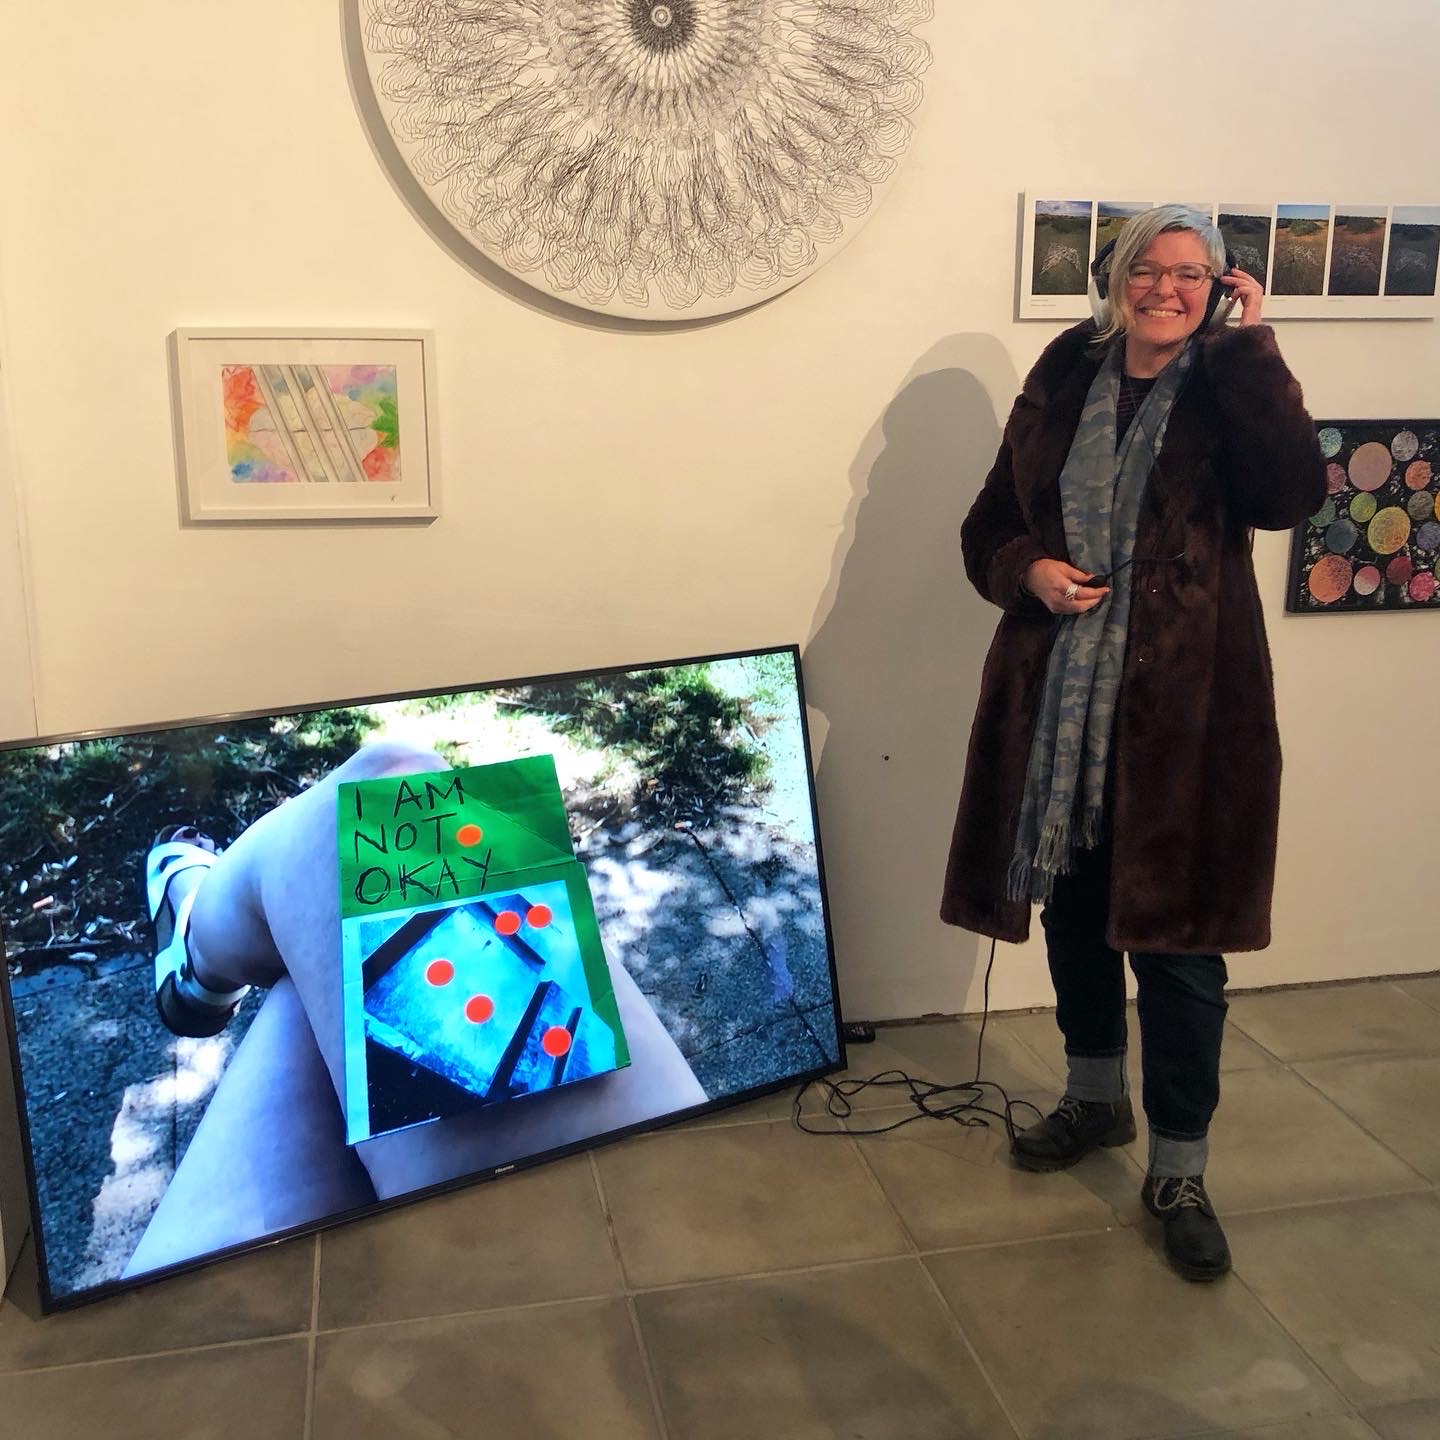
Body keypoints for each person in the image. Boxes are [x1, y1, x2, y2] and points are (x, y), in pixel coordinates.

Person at [941, 206, 1325, 1281]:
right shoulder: (1067, 371)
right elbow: (986, 525)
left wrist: (1254, 349)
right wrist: (1028, 569)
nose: (1166, 289)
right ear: (1116, 280)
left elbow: (1290, 494)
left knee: (1180, 950)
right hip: (1058, 708)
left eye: (1191, 273)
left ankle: (1182, 1172)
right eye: (1148, 269)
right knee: (1075, 916)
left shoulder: (1232, 377)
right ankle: (1095, 1098)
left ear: (1220, 286)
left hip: (1190, 715)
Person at [127, 739, 706, 1276]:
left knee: (376, 796)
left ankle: (197, 947)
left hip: (210, 1328)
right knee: (330, 975)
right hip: (679, 1230)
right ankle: (203, 956)